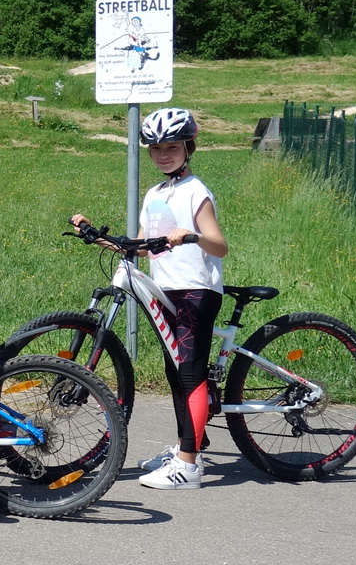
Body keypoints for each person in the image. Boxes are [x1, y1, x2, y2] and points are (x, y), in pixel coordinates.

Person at [72, 107, 228, 490]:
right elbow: (141, 247)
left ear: (188, 147)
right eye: (156, 149)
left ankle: (188, 467)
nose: (163, 155)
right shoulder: (155, 194)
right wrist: (95, 235)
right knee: (176, 373)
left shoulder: (196, 191)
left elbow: (219, 245)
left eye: (171, 147)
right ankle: (187, 447)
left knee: (189, 374)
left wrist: (191, 236)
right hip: (166, 289)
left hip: (196, 289)